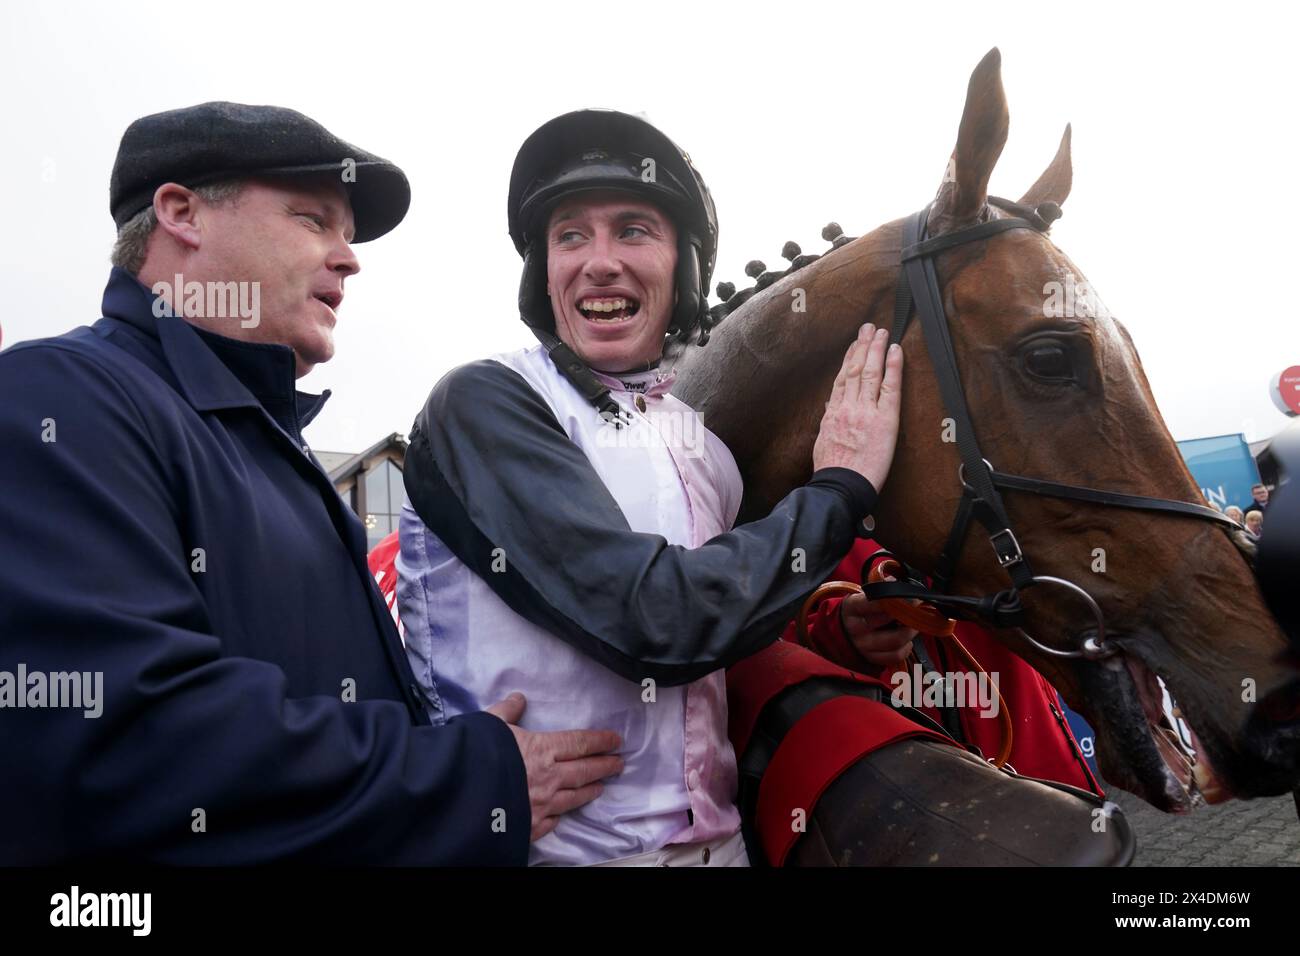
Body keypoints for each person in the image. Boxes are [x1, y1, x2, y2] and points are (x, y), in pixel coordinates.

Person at [0, 102, 622, 864]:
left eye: (348, 236)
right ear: (180, 212)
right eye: (312, 220)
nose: (349, 258)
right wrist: (470, 778)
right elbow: (128, 742)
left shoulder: (272, 452)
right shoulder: (59, 398)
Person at [396, 109, 903, 866]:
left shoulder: (705, 449)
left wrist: (839, 626)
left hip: (723, 848)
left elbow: (734, 619)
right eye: (571, 235)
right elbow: (658, 620)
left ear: (683, 270)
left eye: (633, 230)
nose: (599, 261)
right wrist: (838, 490)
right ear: (544, 273)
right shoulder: (483, 400)